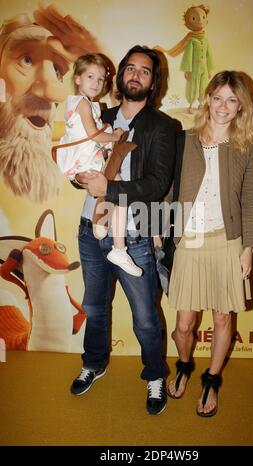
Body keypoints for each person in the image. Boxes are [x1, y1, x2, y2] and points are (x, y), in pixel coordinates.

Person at [70, 45, 177, 415]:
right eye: (129, 68)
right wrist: (80, 177)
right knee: (94, 306)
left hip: (133, 236)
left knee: (145, 315)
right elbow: (79, 158)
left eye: (144, 71)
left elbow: (157, 183)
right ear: (119, 76)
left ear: (153, 81)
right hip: (89, 228)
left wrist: (109, 189)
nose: (135, 75)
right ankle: (94, 363)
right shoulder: (99, 115)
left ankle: (155, 374)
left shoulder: (163, 127)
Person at [166, 70, 253, 417]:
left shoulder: (247, 146)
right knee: (184, 325)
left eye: (232, 100)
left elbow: (251, 199)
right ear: (207, 98)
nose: (224, 106)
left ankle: (212, 378)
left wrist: (248, 247)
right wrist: (163, 229)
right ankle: (186, 364)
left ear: (240, 107)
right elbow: (170, 190)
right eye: (218, 97)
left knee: (223, 319)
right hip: (189, 243)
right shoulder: (184, 140)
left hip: (227, 242)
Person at [0, 4, 106, 202]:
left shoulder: (60, 134)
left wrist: (101, 59)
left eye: (57, 71)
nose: (55, 93)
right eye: (27, 60)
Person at [56, 53, 142, 277]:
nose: (96, 83)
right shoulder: (83, 105)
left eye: (101, 79)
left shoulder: (90, 105)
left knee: (115, 188)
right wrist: (114, 137)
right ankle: (119, 247)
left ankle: (106, 233)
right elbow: (94, 135)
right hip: (85, 160)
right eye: (91, 77)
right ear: (77, 79)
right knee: (118, 189)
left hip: (87, 158)